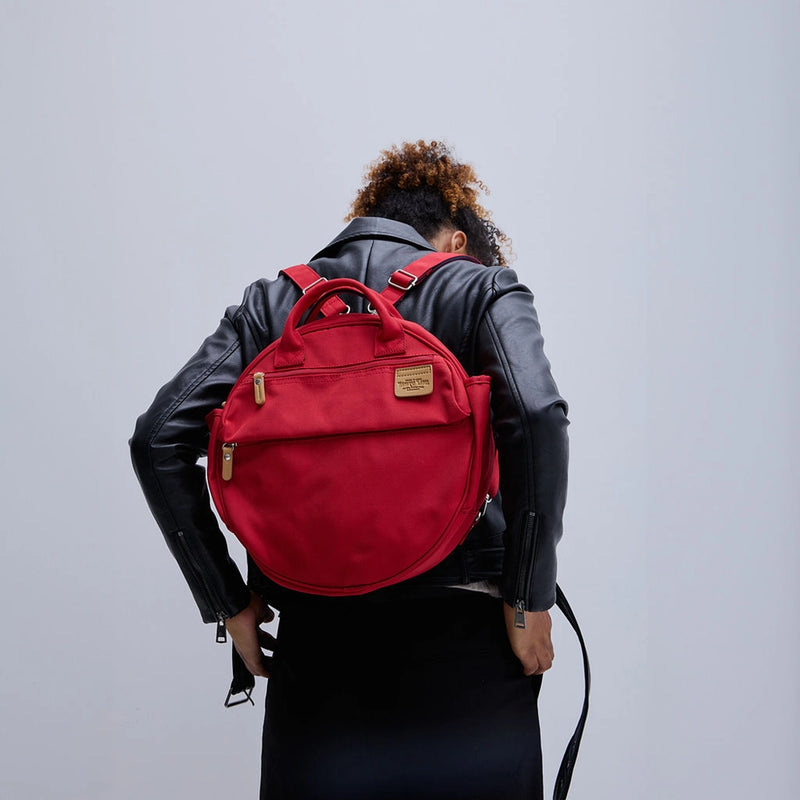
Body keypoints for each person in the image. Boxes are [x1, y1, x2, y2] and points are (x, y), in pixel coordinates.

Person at [130, 140, 569, 800]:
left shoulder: (270, 306)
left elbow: (157, 439)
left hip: (317, 647)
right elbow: (536, 415)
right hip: (467, 646)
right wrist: (528, 599)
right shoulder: (480, 286)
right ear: (456, 242)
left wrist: (231, 604)